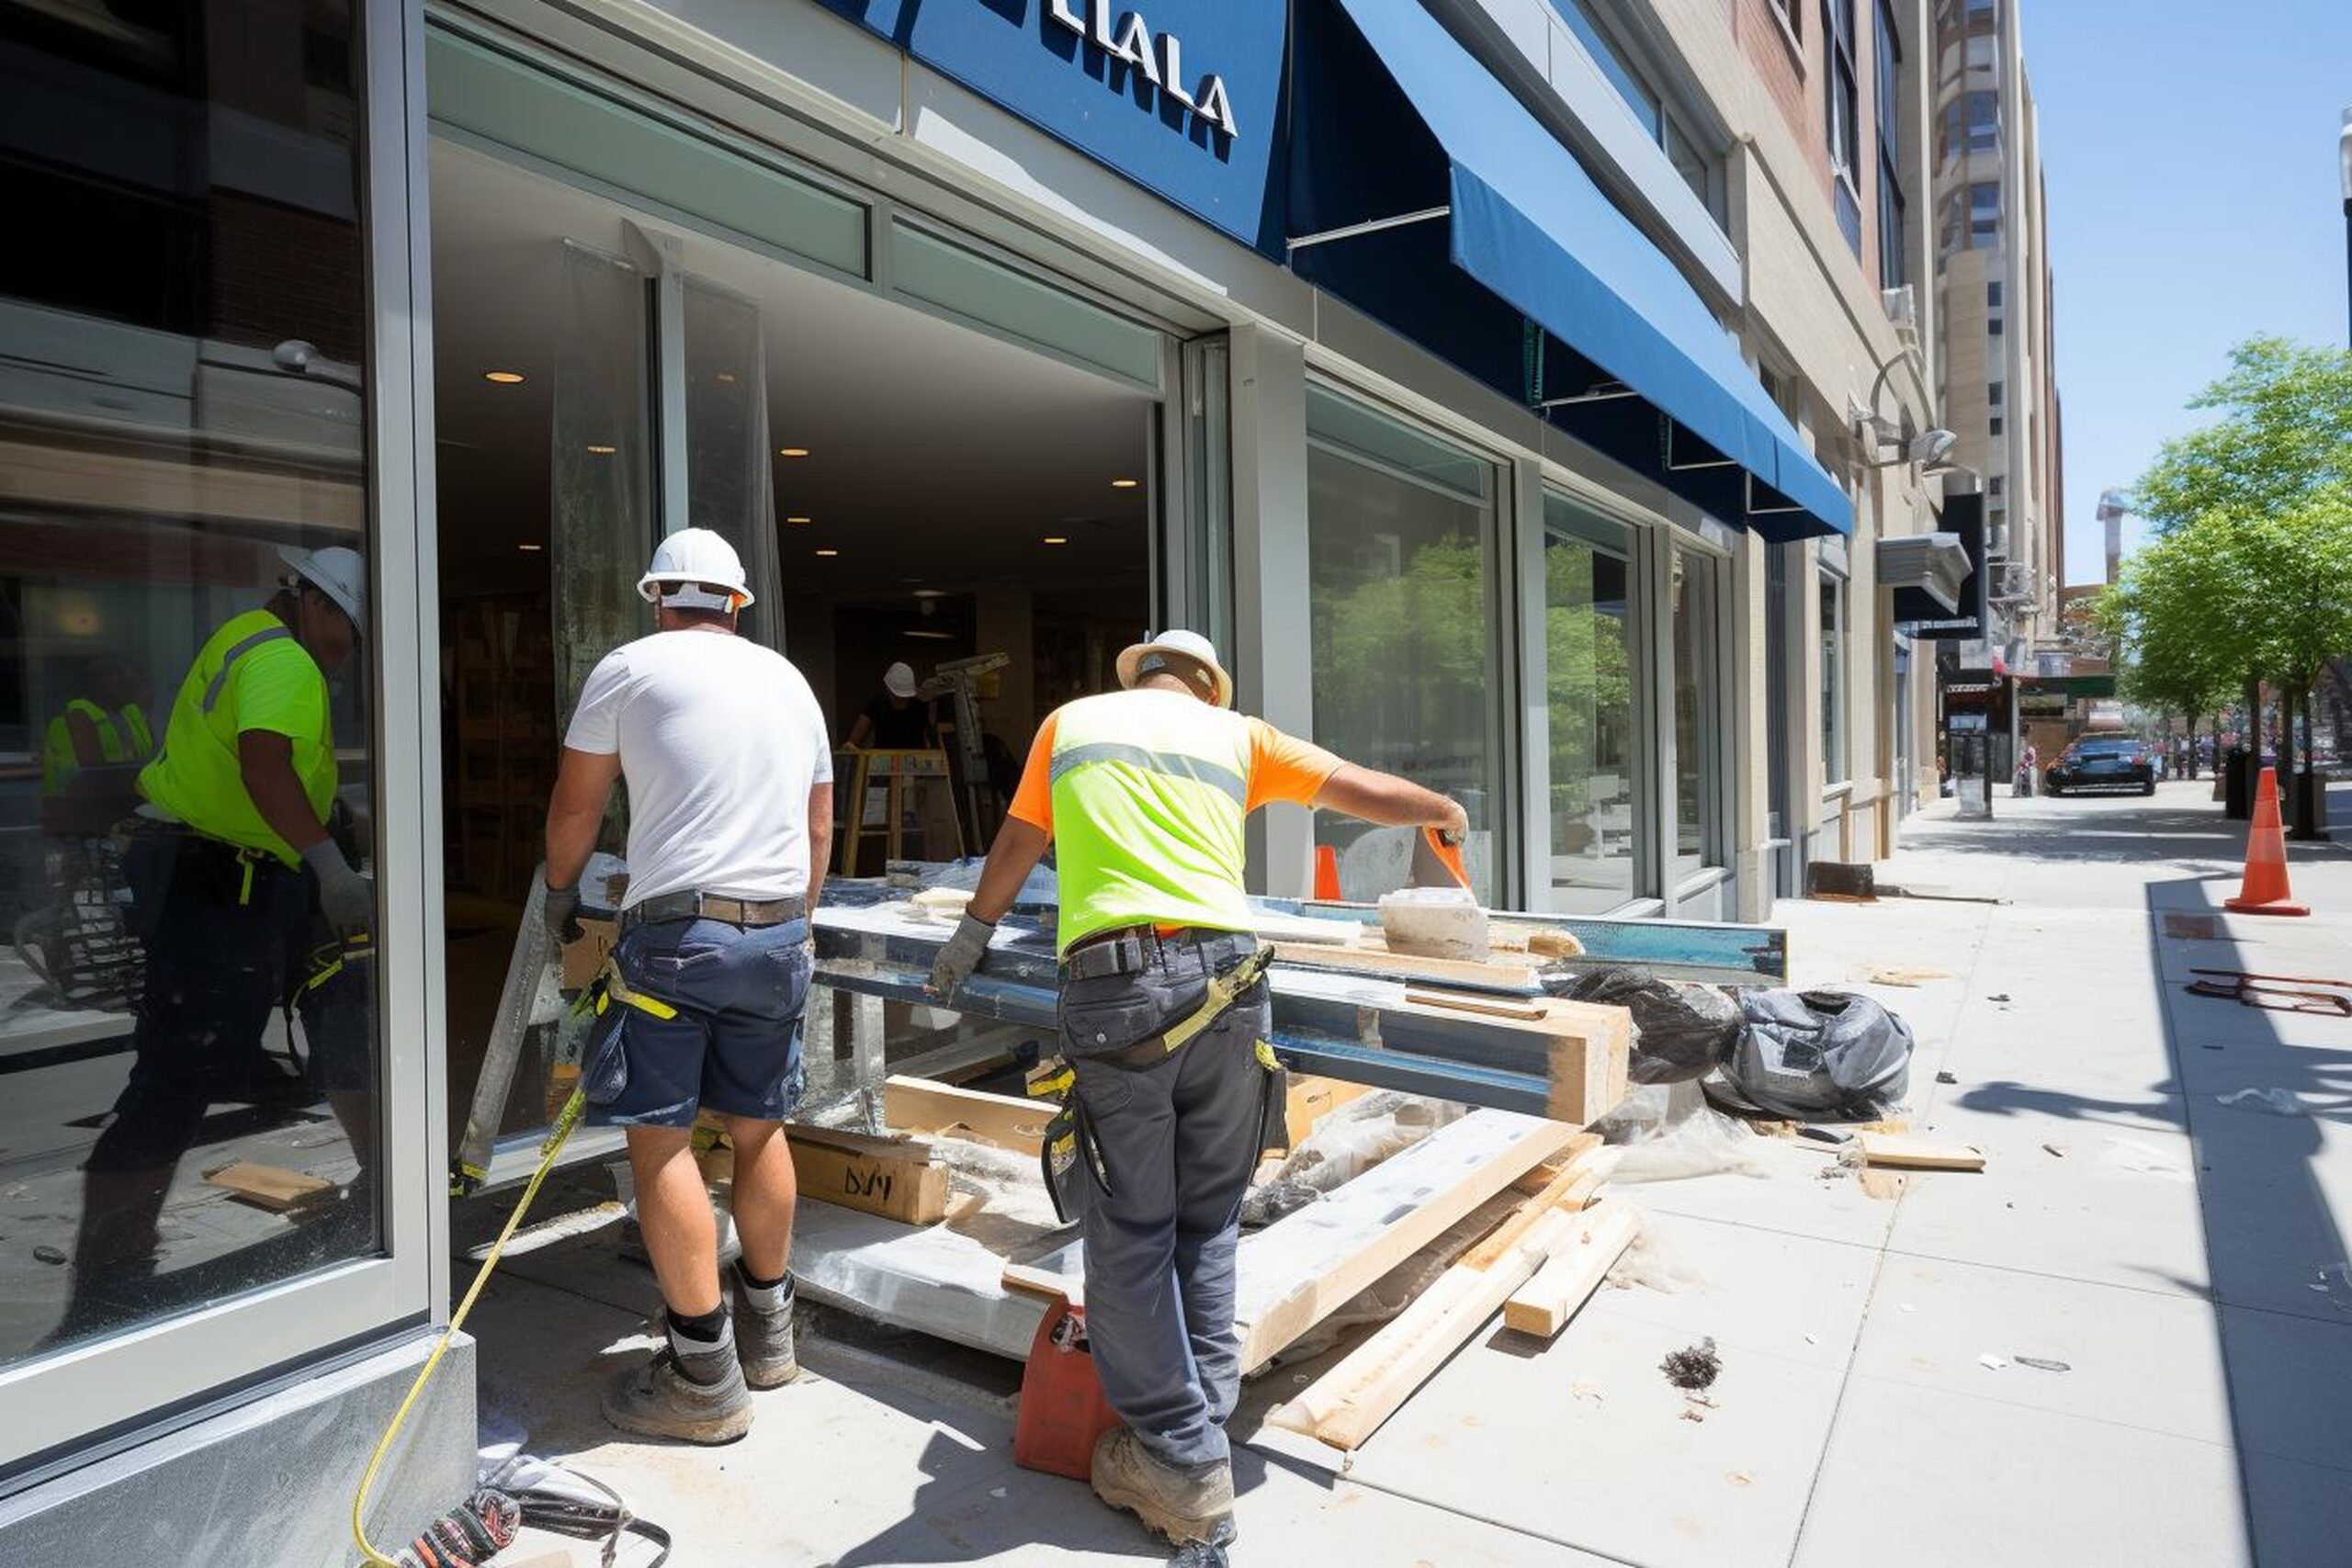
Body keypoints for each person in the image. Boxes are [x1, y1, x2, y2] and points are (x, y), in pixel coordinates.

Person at [927, 629, 1466, 1550]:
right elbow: (1357, 791)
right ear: (1206, 691)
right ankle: (1196, 1429)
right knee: (1206, 1220)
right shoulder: (1238, 738)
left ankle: (1177, 1458)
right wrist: (1440, 807)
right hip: (1231, 986)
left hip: (1121, 993)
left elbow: (1021, 836)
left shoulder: (1072, 721)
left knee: (1132, 1230)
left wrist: (972, 933)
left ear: (1137, 675)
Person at [542, 527, 833, 1444]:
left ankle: (703, 1377)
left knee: (660, 1143)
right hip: (779, 927)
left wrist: (559, 896)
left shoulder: (627, 667)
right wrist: (794, 921)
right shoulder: (789, 680)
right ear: (736, 604)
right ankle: (770, 1339)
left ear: (657, 594)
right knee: (758, 1128)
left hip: (679, 936)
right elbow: (818, 823)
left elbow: (578, 806)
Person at [66, 546, 375, 1331]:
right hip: (224, 883)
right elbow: (262, 764)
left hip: (246, 872)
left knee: (342, 1012)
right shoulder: (287, 661)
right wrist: (331, 863)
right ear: (318, 605)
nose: (345, 656)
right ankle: (110, 1272)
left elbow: (260, 769)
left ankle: (382, 1185)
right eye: (347, 635)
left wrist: (331, 818)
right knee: (178, 1075)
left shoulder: (242, 636)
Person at [41, 654, 154, 836]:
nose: (124, 683)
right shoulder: (79, 714)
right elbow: (95, 771)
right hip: (77, 808)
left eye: (125, 679)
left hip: (121, 803)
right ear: (95, 684)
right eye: (114, 678)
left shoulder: (130, 713)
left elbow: (153, 756)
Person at [844, 660, 935, 750]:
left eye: (904, 697)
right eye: (896, 696)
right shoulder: (877, 705)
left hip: (915, 757)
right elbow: (853, 742)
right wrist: (850, 747)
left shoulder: (921, 706)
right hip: (882, 758)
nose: (900, 700)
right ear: (887, 689)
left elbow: (935, 741)